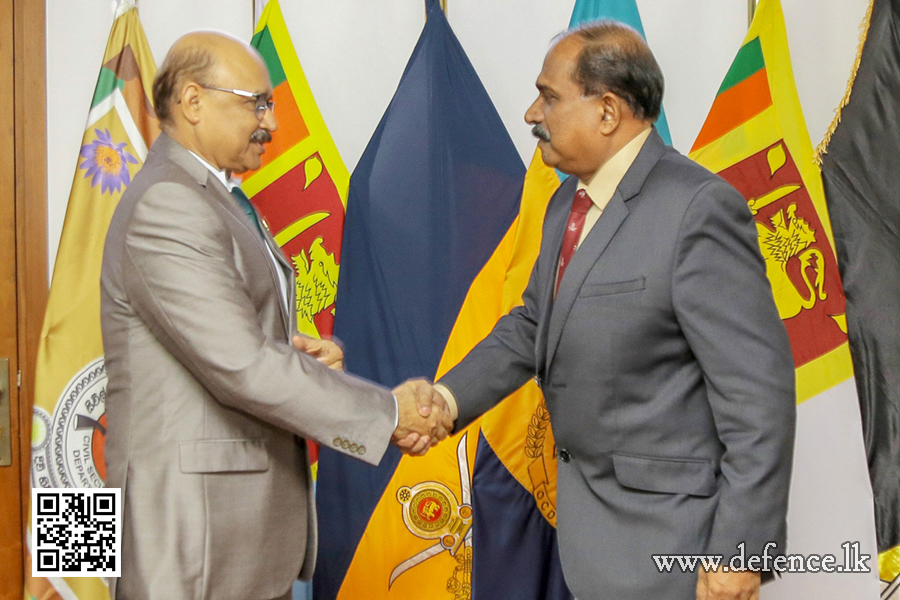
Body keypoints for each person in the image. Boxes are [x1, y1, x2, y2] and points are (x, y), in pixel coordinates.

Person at [434, 21, 795, 600]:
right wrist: (444, 401)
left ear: (607, 112)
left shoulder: (698, 209)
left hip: (676, 550)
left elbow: (759, 394)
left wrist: (741, 553)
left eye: (549, 96)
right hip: (592, 542)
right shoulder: (564, 203)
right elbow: (533, 325)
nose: (532, 112)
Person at [100, 32, 450, 600]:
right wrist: (388, 412)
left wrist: (292, 352)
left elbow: (226, 346)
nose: (271, 122)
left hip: (229, 536)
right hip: (191, 537)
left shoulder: (214, 195)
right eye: (255, 102)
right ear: (193, 102)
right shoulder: (170, 202)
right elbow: (241, 365)